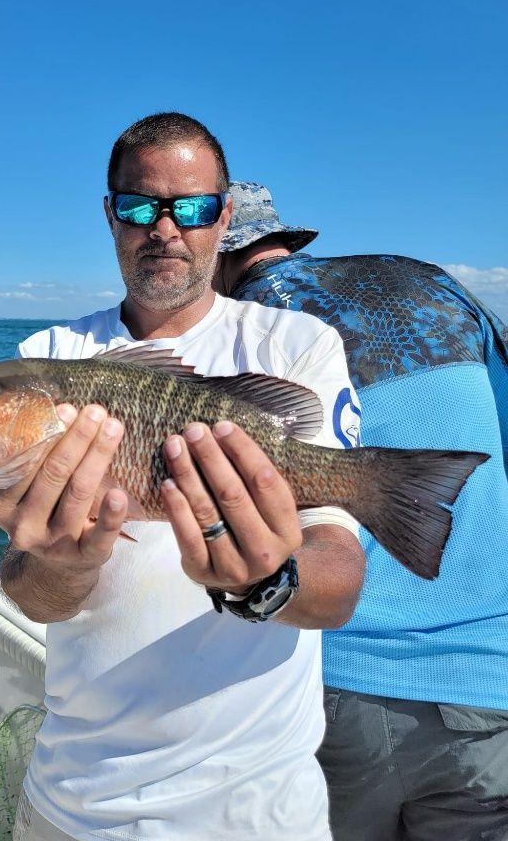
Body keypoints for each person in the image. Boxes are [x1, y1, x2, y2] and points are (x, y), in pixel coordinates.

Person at [0, 113, 365, 841]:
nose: (165, 229)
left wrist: (267, 583)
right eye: (140, 207)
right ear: (110, 214)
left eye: (191, 208)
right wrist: (62, 566)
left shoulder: (297, 346)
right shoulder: (48, 354)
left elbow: (340, 583)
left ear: (223, 217)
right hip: (74, 806)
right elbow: (33, 597)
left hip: (257, 817)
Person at [216, 180, 508, 841]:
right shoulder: (434, 282)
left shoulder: (242, 328)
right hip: (490, 690)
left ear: (218, 254)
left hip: (336, 687)